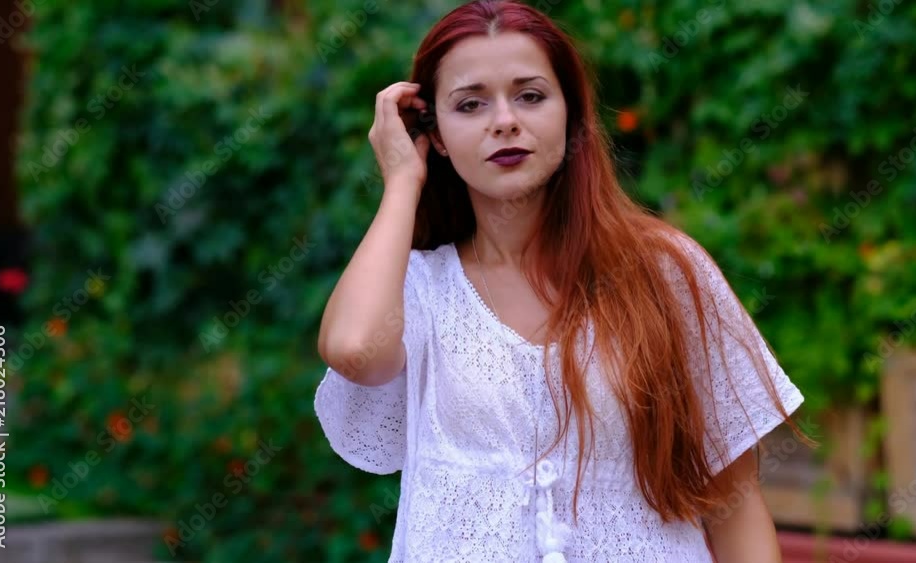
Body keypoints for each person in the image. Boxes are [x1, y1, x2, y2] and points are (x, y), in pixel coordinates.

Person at [315, 1, 807, 561]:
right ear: (439, 135)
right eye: (470, 104)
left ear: (571, 114)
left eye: (530, 95)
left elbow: (735, 505)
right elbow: (354, 350)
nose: (504, 120)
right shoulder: (418, 290)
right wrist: (403, 179)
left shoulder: (665, 273)